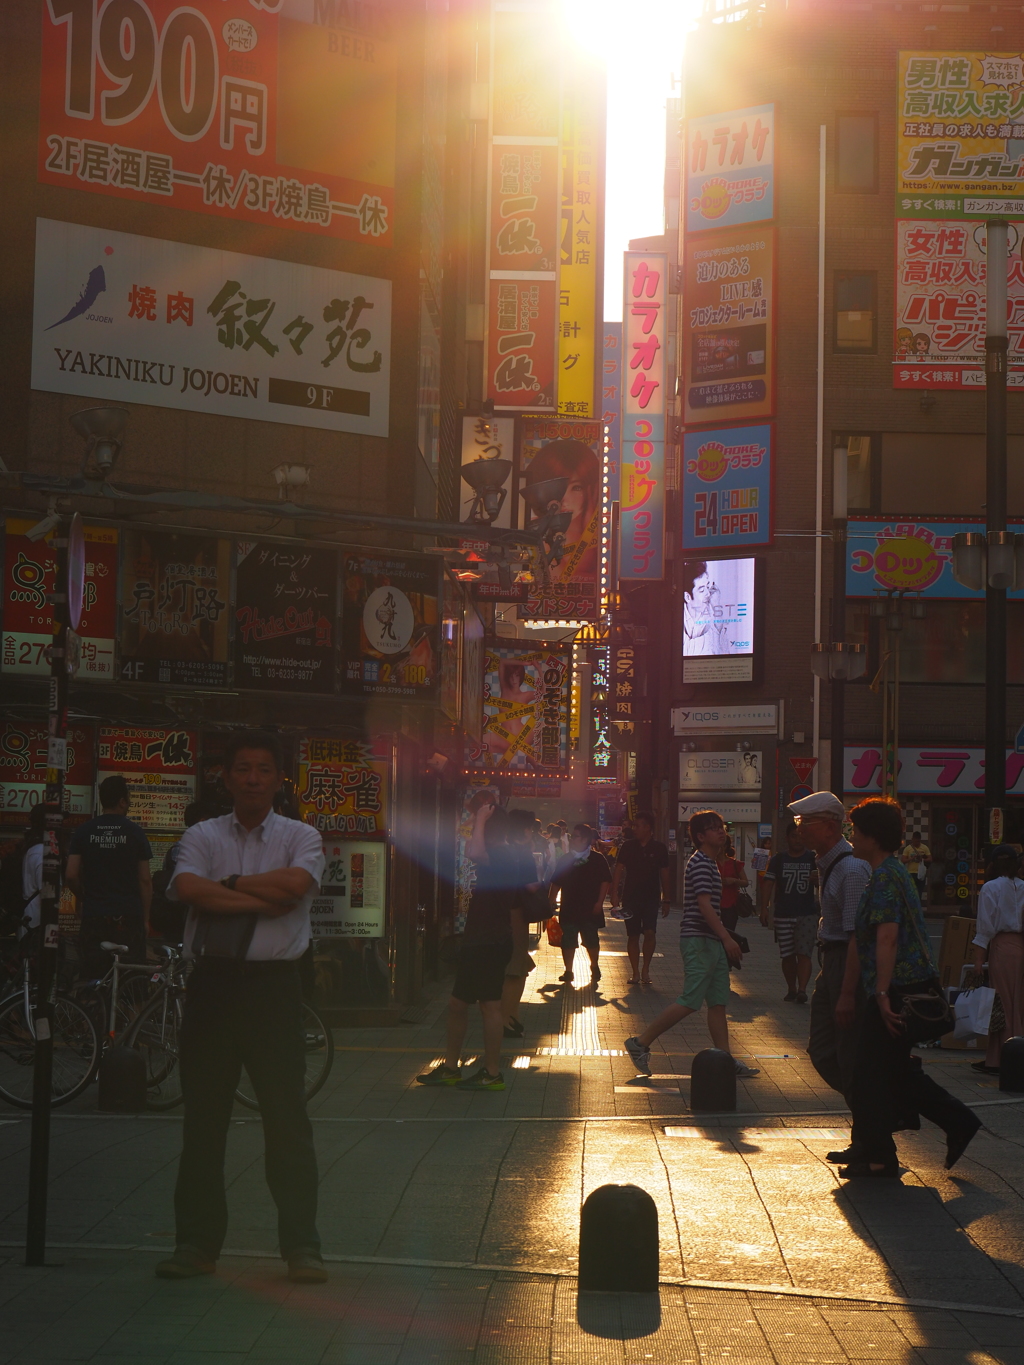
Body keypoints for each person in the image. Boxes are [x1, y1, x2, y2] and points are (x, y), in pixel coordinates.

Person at [156, 730, 327, 1284]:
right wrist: (259, 895)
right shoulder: (201, 834)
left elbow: (297, 886)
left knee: (287, 1122)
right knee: (203, 1122)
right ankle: (196, 1246)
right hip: (212, 987)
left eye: (263, 769)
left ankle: (303, 1247)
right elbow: (188, 890)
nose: (253, 778)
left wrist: (224, 886)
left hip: (275, 991)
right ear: (225, 777)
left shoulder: (302, 835)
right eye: (243, 769)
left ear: (280, 779)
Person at [841, 797, 980, 1180]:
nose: (852, 837)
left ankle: (881, 1157)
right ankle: (952, 1123)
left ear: (872, 836)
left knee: (869, 1072)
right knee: (891, 1070)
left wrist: (882, 995)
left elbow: (887, 937)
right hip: (900, 985)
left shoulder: (886, 876)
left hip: (898, 988)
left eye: (856, 830)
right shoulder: (890, 872)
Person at [625, 809, 758, 1079]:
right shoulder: (700, 863)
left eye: (721, 826)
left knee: (718, 1002)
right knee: (690, 1000)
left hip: (710, 942)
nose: (721, 831)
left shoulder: (710, 863)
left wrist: (722, 940)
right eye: (714, 828)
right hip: (699, 940)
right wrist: (726, 938)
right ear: (700, 836)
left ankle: (725, 1058)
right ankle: (640, 1043)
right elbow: (704, 905)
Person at [787, 791, 871, 1163]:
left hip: (845, 964)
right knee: (823, 1050)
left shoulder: (852, 870)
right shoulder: (826, 863)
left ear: (831, 827)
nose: (799, 829)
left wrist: (848, 993)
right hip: (831, 962)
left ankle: (871, 1127)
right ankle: (877, 1106)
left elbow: (857, 936)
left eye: (806, 823)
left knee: (852, 1055)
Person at [418, 799, 514, 1092]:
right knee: (458, 1003)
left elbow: (473, 851)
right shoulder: (501, 852)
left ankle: (492, 1072)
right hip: (481, 939)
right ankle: (450, 1067)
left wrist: (482, 818)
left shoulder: (501, 853)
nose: (472, 829)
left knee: (490, 1006)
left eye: (476, 825)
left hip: (490, 940)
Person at [66, 775, 153, 980]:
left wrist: (84, 896)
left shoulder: (84, 831)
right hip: (128, 917)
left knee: (92, 980)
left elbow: (71, 874)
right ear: (122, 801)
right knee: (132, 981)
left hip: (94, 916)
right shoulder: (135, 833)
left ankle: (90, 1009)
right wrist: (145, 919)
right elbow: (145, 880)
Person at [969, 844, 1024, 1075]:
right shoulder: (1023, 887)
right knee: (1018, 1002)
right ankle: (1015, 1054)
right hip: (1020, 946)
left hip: (1001, 947)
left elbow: (985, 929)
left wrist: (978, 961)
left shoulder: (990, 888)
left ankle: (1000, 1058)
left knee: (1001, 1003)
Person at [760, 822, 818, 1004]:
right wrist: (764, 908)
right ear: (787, 838)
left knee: (804, 953)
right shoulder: (778, 860)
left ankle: (802, 989)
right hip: (783, 912)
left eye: (801, 836)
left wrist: (818, 880)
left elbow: (824, 882)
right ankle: (791, 988)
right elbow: (768, 883)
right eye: (794, 836)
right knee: (787, 954)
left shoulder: (813, 858)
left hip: (807, 912)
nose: (798, 840)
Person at [611, 812, 671, 986]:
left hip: (651, 897)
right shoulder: (628, 846)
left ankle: (646, 968)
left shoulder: (659, 848)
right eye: (634, 825)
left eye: (637, 826)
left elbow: (665, 873)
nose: (634, 829)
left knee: (650, 932)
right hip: (630, 897)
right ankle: (635, 972)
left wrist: (667, 899)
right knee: (633, 935)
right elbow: (619, 869)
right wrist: (614, 892)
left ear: (648, 828)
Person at [549, 824, 611, 986]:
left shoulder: (597, 859)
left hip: (590, 907)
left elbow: (605, 882)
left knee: (591, 939)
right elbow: (556, 882)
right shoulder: (566, 858)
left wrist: (599, 903)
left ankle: (594, 966)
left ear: (584, 839)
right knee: (568, 940)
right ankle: (568, 971)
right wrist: (551, 902)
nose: (571, 839)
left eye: (574, 836)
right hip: (569, 907)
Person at [501, 809, 544, 1039]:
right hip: (516, 913)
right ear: (525, 830)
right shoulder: (523, 854)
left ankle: (513, 1016)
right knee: (516, 969)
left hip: (499, 912)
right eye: (531, 828)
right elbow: (531, 886)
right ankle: (507, 1019)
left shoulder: (502, 849)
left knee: (516, 965)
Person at [717, 835, 749, 933]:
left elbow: (745, 882)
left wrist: (734, 880)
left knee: (729, 933)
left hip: (730, 905)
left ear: (725, 846)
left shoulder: (735, 864)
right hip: (713, 905)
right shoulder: (710, 862)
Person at [900, 831, 932, 906]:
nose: (916, 843)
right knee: (911, 892)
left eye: (918, 841)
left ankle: (918, 908)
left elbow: (930, 859)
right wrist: (911, 859)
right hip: (911, 873)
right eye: (915, 841)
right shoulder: (908, 848)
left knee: (919, 893)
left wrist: (922, 859)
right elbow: (903, 861)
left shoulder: (924, 848)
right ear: (912, 839)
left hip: (921, 873)